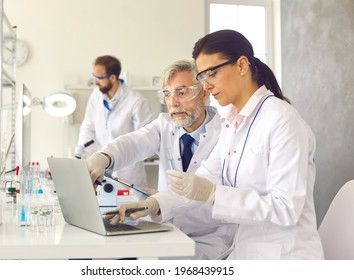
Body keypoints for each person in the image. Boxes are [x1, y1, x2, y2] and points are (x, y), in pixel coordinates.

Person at [164, 30, 324, 259]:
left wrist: (214, 195)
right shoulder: (233, 123)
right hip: (248, 252)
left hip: (285, 258)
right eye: (202, 77)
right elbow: (203, 178)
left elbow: (286, 208)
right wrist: (152, 205)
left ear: (241, 65)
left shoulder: (283, 121)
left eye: (212, 74)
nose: (206, 87)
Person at [86, 60, 233, 259]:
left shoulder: (226, 134)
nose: (173, 102)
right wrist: (102, 157)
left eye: (182, 92)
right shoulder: (165, 125)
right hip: (168, 235)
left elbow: (208, 192)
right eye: (167, 94)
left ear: (204, 93)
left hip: (210, 242)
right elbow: (133, 143)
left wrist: (156, 202)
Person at [77, 55, 153, 187]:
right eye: (94, 76)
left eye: (99, 78)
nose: (95, 82)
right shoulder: (96, 95)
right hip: (102, 166)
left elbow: (145, 138)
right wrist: (81, 150)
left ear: (113, 77)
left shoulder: (136, 101)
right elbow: (88, 126)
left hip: (127, 172)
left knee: (129, 206)